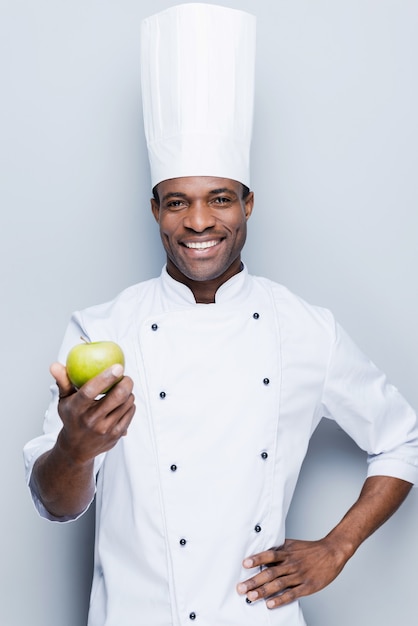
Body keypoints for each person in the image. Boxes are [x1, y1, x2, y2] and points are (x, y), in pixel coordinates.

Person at [24, 4, 418, 626]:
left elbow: (402, 437)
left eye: (221, 199)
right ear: (155, 209)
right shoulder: (101, 330)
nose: (200, 222)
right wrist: (75, 447)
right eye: (178, 201)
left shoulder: (302, 328)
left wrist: (336, 548)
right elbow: (55, 505)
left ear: (249, 204)